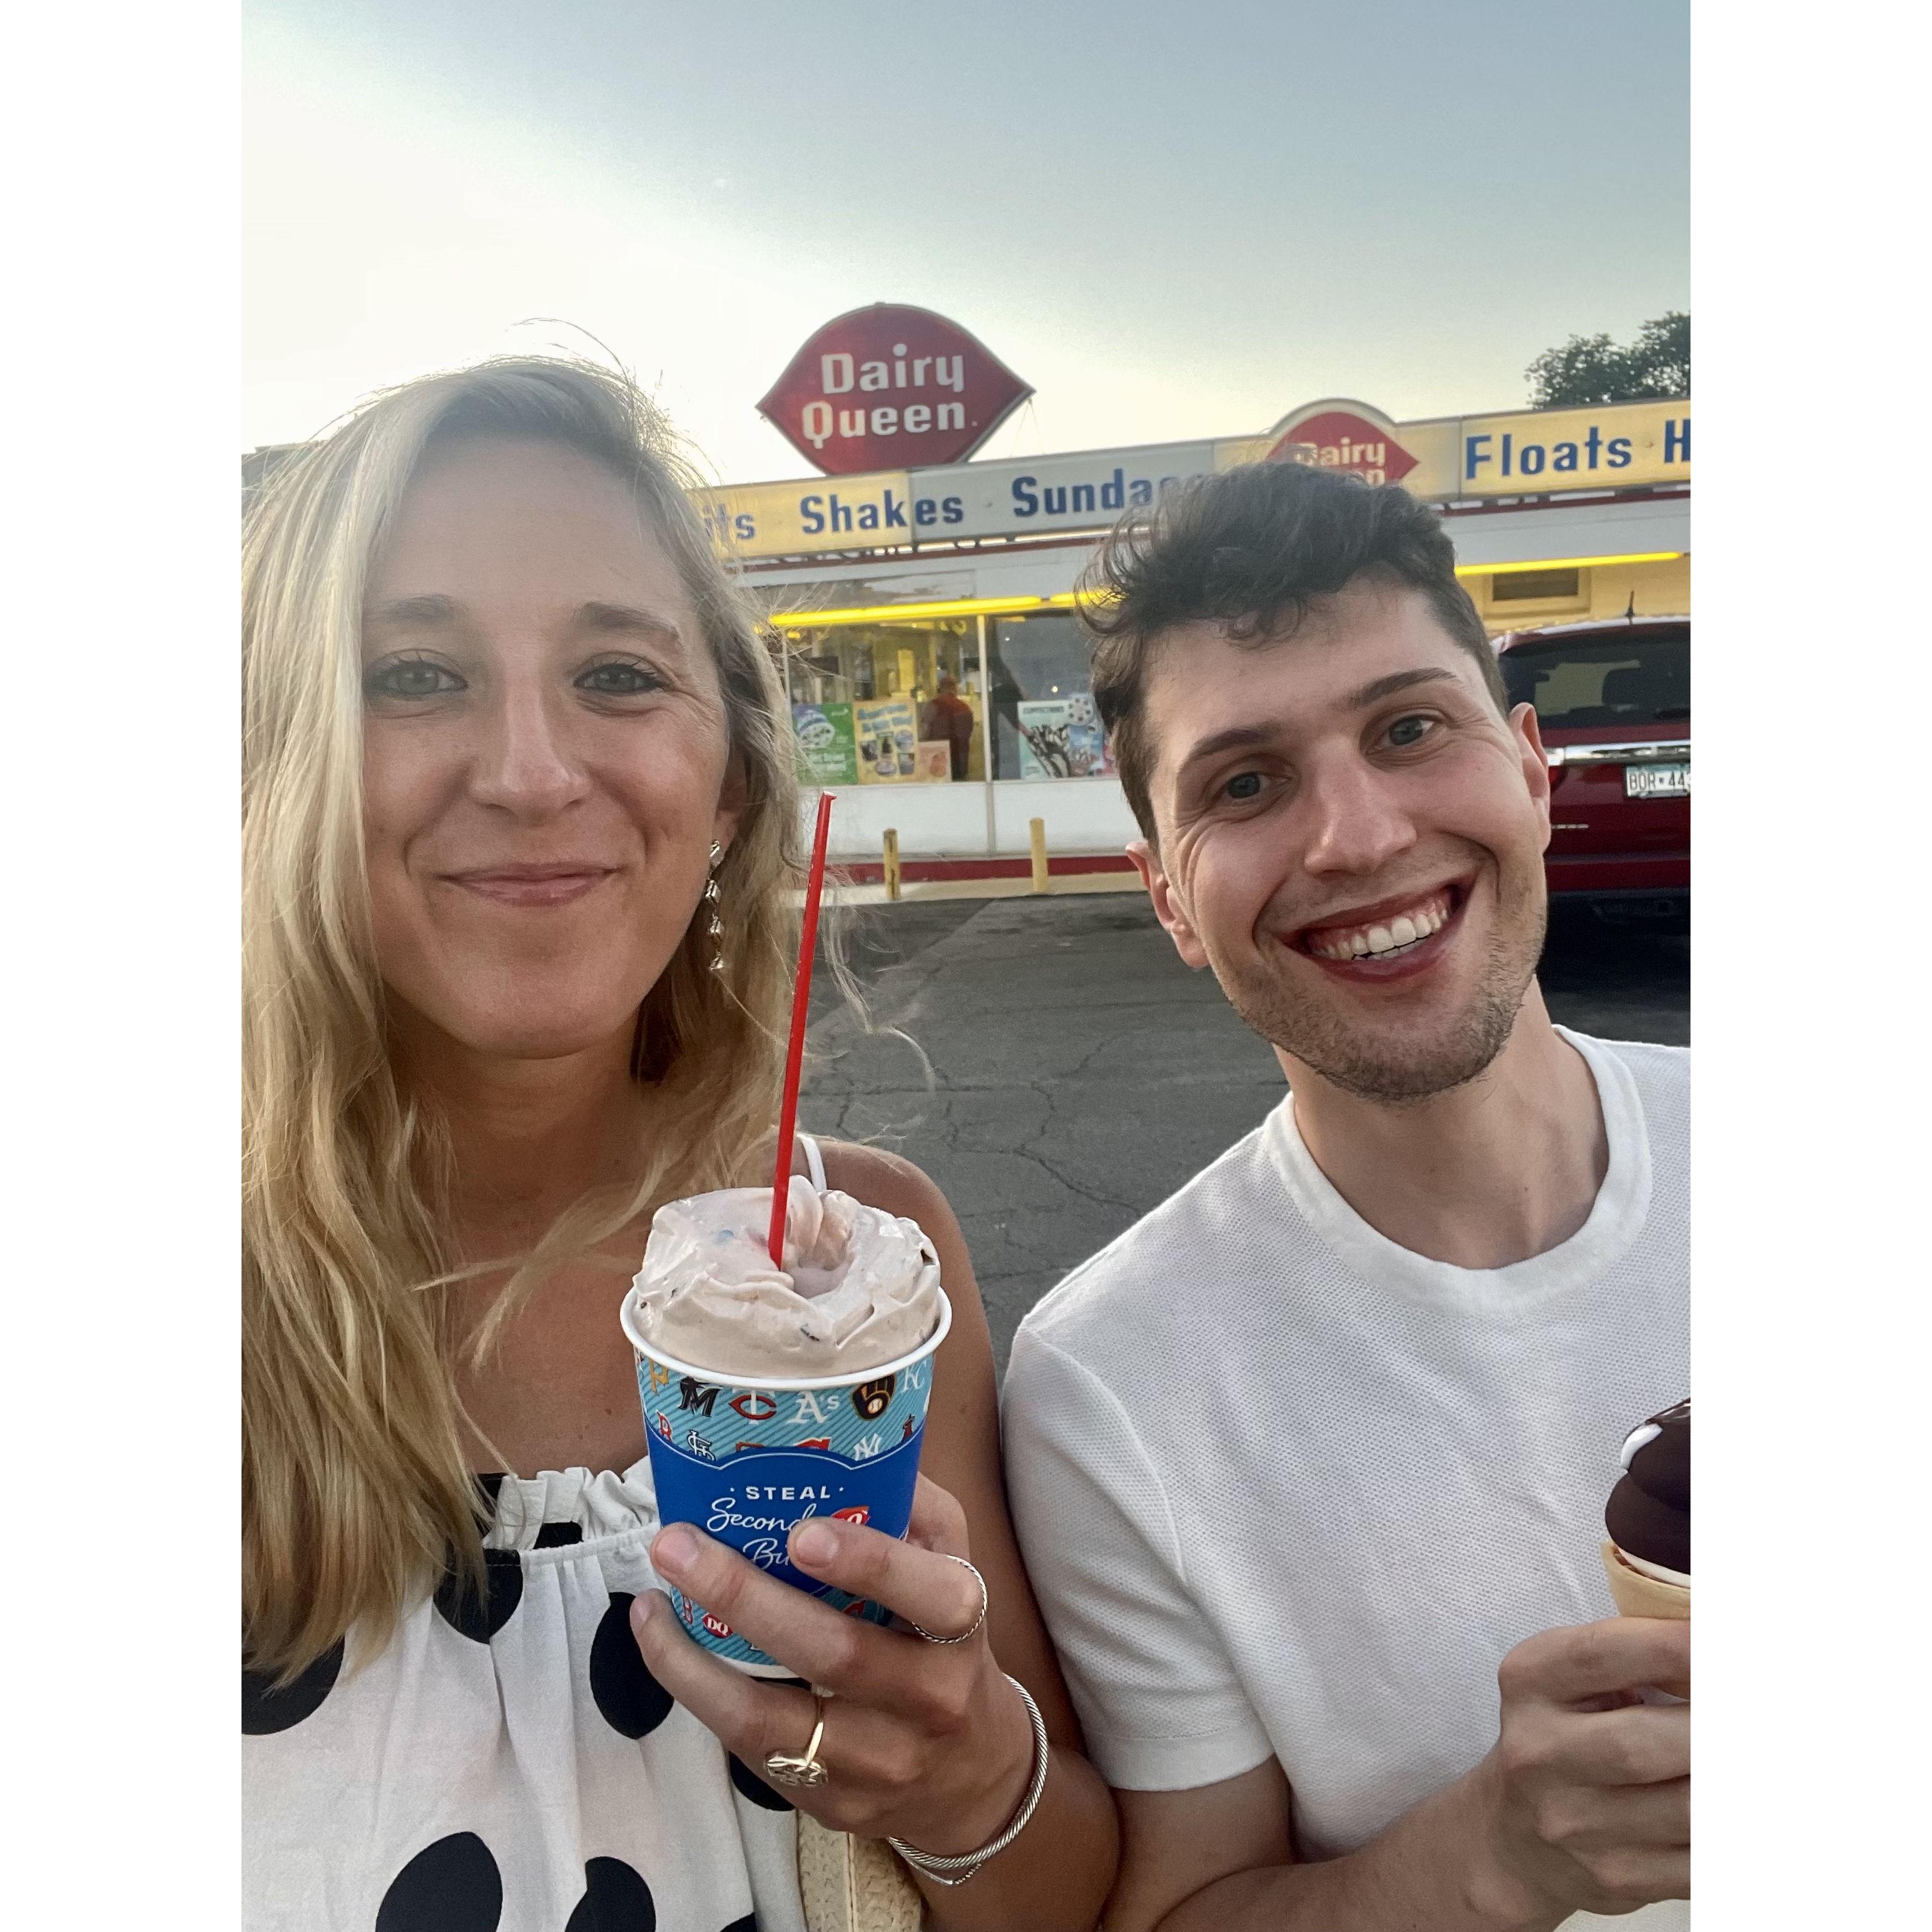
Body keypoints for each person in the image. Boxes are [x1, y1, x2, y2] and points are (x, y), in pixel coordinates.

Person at [242, 357, 1116, 1932]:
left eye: (622, 677)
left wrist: (969, 1781)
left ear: (724, 791)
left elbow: (1055, 1897)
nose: (527, 773)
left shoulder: (866, 1260)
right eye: (413, 675)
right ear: (273, 761)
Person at [1001, 460, 1689, 1932]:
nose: (1359, 835)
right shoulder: (1111, 1385)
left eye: (1409, 729)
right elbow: (1183, 1909)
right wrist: (1493, 1856)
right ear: (1171, 897)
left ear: (1530, 769)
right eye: (1246, 783)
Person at [921, 673, 976, 781]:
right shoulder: (964, 707)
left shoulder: (933, 706)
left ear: (940, 688)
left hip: (937, 761)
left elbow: (925, 733)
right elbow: (968, 733)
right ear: (955, 689)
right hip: (960, 762)